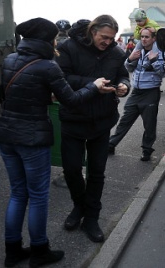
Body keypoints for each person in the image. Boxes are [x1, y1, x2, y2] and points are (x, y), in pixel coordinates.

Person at [0, 17, 109, 267]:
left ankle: (12, 250)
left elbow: (10, 93)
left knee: (17, 194)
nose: (57, 40)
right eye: (54, 37)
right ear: (47, 40)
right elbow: (72, 100)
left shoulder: (9, 60)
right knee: (37, 196)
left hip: (6, 136)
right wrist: (94, 85)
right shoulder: (48, 66)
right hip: (32, 138)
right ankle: (39, 251)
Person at [55, 15, 130, 243]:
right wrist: (93, 84)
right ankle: (79, 207)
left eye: (111, 38)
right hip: (73, 119)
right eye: (103, 37)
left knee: (97, 173)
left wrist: (124, 86)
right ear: (92, 31)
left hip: (102, 121)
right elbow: (62, 77)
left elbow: (122, 75)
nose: (107, 42)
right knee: (71, 170)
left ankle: (92, 217)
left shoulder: (117, 53)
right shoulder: (68, 47)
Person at [108, 27, 165, 160]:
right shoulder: (137, 50)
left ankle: (147, 150)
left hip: (151, 92)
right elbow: (128, 68)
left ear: (153, 38)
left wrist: (153, 61)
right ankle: (111, 144)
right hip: (136, 92)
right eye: (142, 37)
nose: (144, 40)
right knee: (125, 120)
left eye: (147, 37)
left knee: (149, 124)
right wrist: (129, 59)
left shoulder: (160, 53)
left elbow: (163, 73)